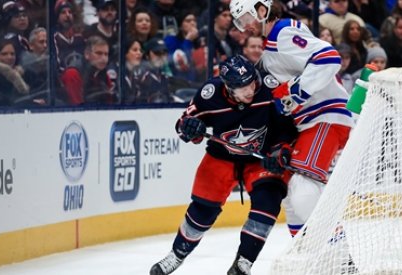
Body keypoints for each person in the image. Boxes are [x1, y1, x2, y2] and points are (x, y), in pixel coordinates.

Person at [149, 55, 297, 275]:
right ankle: (177, 255)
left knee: (268, 200)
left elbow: (287, 126)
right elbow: (183, 125)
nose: (249, 90)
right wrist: (191, 128)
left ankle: (243, 263)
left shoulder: (268, 87)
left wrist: (280, 151)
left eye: (251, 82)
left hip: (260, 159)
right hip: (221, 157)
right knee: (202, 210)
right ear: (228, 87)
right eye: (242, 87)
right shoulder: (210, 94)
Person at [230, 0, 354, 237]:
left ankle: (338, 257)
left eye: (246, 18)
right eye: (240, 23)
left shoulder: (283, 33)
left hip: (325, 116)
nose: (245, 27)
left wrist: (295, 92)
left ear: (262, 10)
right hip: (308, 124)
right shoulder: (270, 50)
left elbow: (329, 58)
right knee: (289, 192)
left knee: (303, 189)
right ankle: (308, 254)